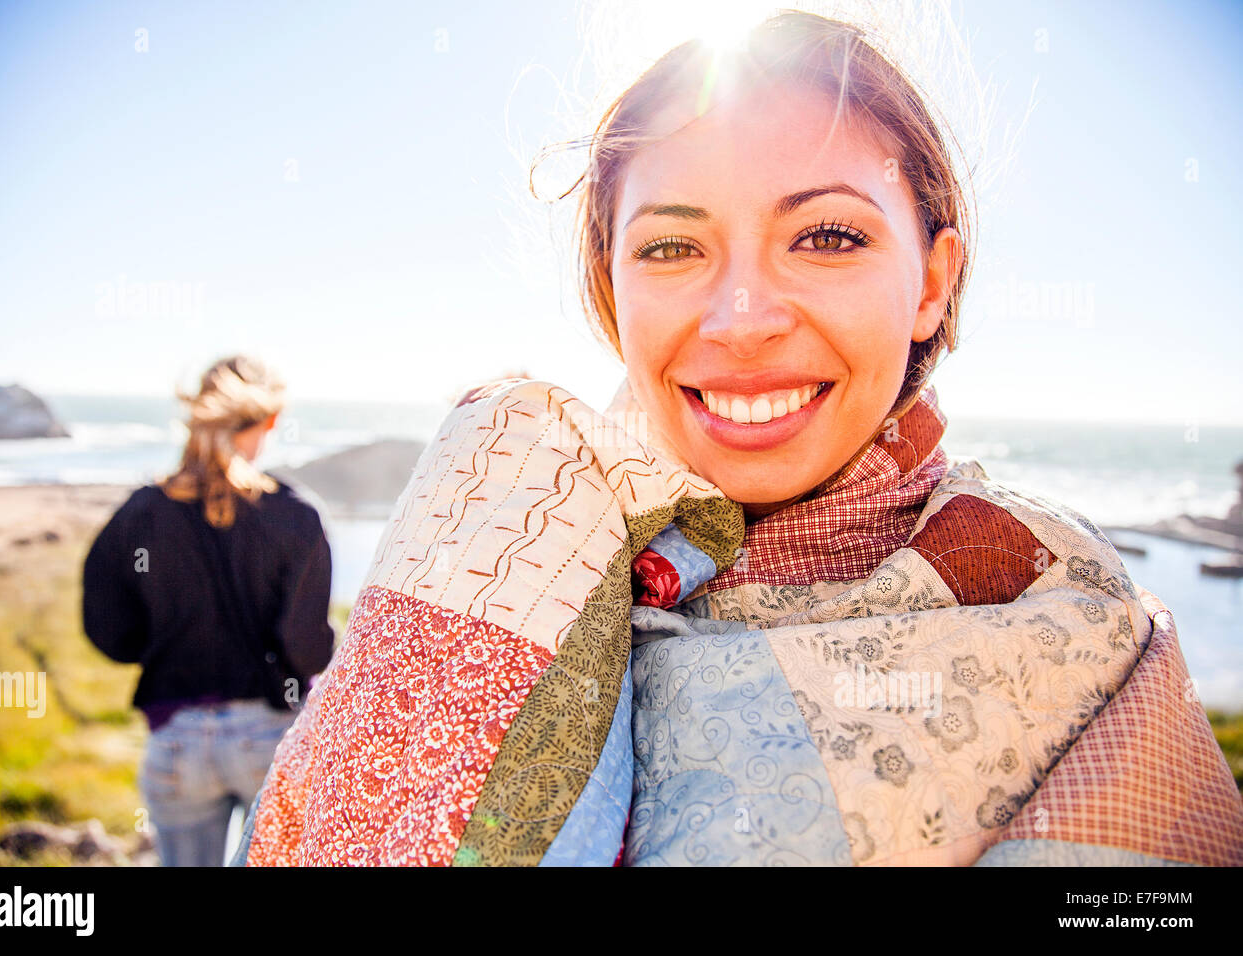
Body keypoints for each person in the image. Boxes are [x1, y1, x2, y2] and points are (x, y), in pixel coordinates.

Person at [236, 10, 1243, 866]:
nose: (743, 317)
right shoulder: (494, 531)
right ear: (609, 290)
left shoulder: (1068, 611)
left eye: (828, 236)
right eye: (672, 246)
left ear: (931, 281)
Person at [82, 354, 335, 866]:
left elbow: (108, 629)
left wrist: (159, 646)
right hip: (271, 738)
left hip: (176, 741)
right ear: (270, 421)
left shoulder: (140, 512)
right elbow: (306, 648)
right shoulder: (295, 516)